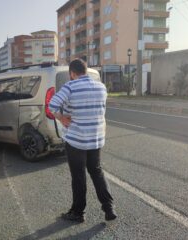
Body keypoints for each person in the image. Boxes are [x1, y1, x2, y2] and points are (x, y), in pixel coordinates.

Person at [49, 59, 117, 223]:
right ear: (85, 71)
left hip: (76, 139)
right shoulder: (101, 87)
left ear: (72, 73)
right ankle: (109, 208)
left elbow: (52, 105)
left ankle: (78, 212)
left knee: (79, 176)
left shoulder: (70, 87)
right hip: (96, 138)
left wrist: (61, 117)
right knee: (97, 171)